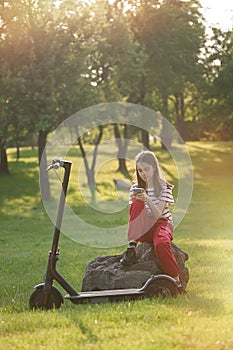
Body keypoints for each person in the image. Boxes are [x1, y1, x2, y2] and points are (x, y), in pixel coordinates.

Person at [120, 150, 181, 287]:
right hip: (144, 227)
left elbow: (158, 214)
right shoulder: (135, 188)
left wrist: (147, 199)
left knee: (161, 244)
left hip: (162, 223)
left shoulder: (164, 187)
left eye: (146, 169)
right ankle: (131, 248)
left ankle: (176, 280)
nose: (143, 174)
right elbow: (135, 216)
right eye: (140, 170)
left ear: (154, 167)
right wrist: (140, 200)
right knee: (137, 203)